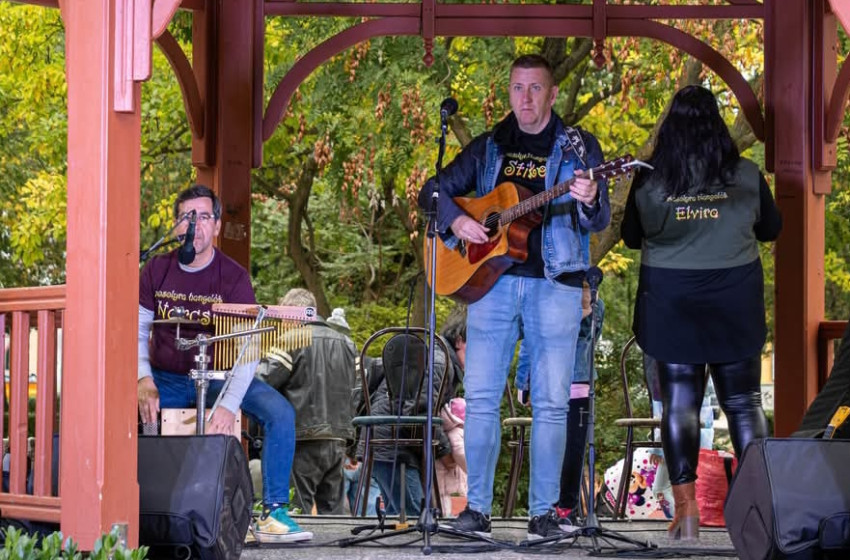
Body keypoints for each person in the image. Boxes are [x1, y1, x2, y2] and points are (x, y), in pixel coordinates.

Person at [417, 54, 609, 540]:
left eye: (534, 88)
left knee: (550, 402)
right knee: (480, 399)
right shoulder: (488, 148)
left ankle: (543, 514)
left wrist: (588, 199)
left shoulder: (577, 146)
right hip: (491, 286)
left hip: (556, 284)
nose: (524, 98)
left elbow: (599, 219)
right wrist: (456, 221)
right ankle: (475, 511)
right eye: (517, 88)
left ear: (550, 93)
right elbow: (432, 192)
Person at [621, 85, 782, 541]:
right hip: (733, 298)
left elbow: (633, 237)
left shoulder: (650, 180)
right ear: (717, 126)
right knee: (744, 403)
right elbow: (771, 228)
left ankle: (687, 513)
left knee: (681, 404)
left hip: (672, 301)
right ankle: (759, 512)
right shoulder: (746, 174)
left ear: (671, 127)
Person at [137, 185, 312, 543]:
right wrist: (142, 379)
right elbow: (137, 331)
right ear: (176, 225)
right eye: (187, 217)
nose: (195, 225)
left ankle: (274, 512)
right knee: (120, 410)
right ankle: (135, 506)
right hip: (165, 377)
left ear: (217, 225)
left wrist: (229, 406)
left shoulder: (233, 278)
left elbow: (247, 351)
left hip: (217, 377)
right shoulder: (156, 269)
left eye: (204, 216)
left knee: (280, 413)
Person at [257, 289, 358, 515]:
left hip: (300, 437)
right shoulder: (348, 344)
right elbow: (358, 393)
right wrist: (352, 441)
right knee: (334, 514)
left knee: (296, 510)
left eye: (283, 317)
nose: (282, 324)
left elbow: (262, 382)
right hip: (339, 438)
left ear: (293, 313)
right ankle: (339, 551)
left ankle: (295, 552)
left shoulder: (291, 340)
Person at [516, 284, 604, 529]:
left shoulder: (593, 303)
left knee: (570, 449)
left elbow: (591, 337)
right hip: (559, 383)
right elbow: (529, 342)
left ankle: (565, 508)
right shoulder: (544, 299)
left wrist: (525, 383)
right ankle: (554, 508)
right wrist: (525, 382)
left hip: (573, 384)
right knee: (559, 448)